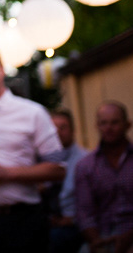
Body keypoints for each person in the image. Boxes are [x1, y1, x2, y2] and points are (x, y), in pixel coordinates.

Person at [0, 45, 65, 253]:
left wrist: (7, 173)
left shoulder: (33, 113)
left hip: (21, 220)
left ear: (1, 69)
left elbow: (58, 168)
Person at [75, 101, 133, 253]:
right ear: (97, 126)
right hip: (102, 236)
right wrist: (97, 242)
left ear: (128, 125)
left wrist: (131, 237)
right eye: (103, 123)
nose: (108, 128)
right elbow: (84, 213)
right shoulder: (86, 166)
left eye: (114, 123)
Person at [46, 108, 87, 253]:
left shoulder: (84, 161)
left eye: (63, 127)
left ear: (73, 130)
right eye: (53, 129)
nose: (57, 133)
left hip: (74, 225)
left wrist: (72, 219)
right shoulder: (41, 160)